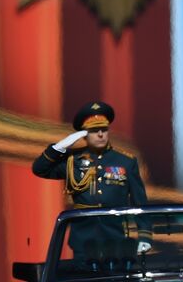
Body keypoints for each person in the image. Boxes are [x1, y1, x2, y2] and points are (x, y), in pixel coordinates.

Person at [33, 102, 150, 256]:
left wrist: (145, 235)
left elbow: (139, 200)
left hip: (115, 236)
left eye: (104, 129)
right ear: (84, 134)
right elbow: (39, 169)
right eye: (94, 130)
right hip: (83, 237)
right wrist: (59, 147)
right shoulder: (73, 160)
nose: (101, 134)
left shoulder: (125, 161)